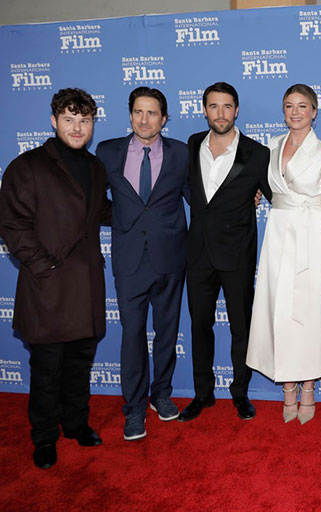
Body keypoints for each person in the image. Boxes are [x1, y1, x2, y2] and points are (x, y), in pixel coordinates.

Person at [0, 88, 111, 469]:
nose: (77, 127)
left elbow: (100, 214)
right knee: (46, 370)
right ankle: (44, 438)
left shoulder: (96, 167)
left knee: (80, 362)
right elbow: (12, 225)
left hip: (86, 287)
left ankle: (76, 423)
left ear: (93, 123)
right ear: (54, 121)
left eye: (84, 120)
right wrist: (43, 266)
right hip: (47, 287)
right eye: (69, 119)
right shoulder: (27, 166)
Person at [96, 87, 190, 441]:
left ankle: (161, 395)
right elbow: (91, 197)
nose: (144, 119)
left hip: (170, 257)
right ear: (130, 114)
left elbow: (198, 196)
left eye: (152, 113)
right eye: (138, 112)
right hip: (129, 259)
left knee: (166, 333)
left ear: (164, 118)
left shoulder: (181, 153)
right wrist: (120, 219)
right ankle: (134, 408)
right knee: (132, 336)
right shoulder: (108, 152)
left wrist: (246, 194)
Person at [246, 84, 321, 424]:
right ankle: (288, 387)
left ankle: (309, 388)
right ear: (283, 110)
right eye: (290, 106)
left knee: (310, 313)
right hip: (278, 236)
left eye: (303, 106)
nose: (296, 112)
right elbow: (266, 182)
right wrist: (257, 192)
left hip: (314, 238)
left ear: (315, 111)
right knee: (281, 311)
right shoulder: (271, 147)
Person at [180, 82, 270, 422]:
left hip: (237, 253)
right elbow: (190, 188)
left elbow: (279, 192)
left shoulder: (257, 152)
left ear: (236, 111)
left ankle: (240, 393)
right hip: (198, 253)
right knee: (199, 325)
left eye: (227, 106)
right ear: (204, 110)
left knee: (241, 328)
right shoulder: (190, 145)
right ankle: (202, 394)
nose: (220, 113)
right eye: (214, 106)